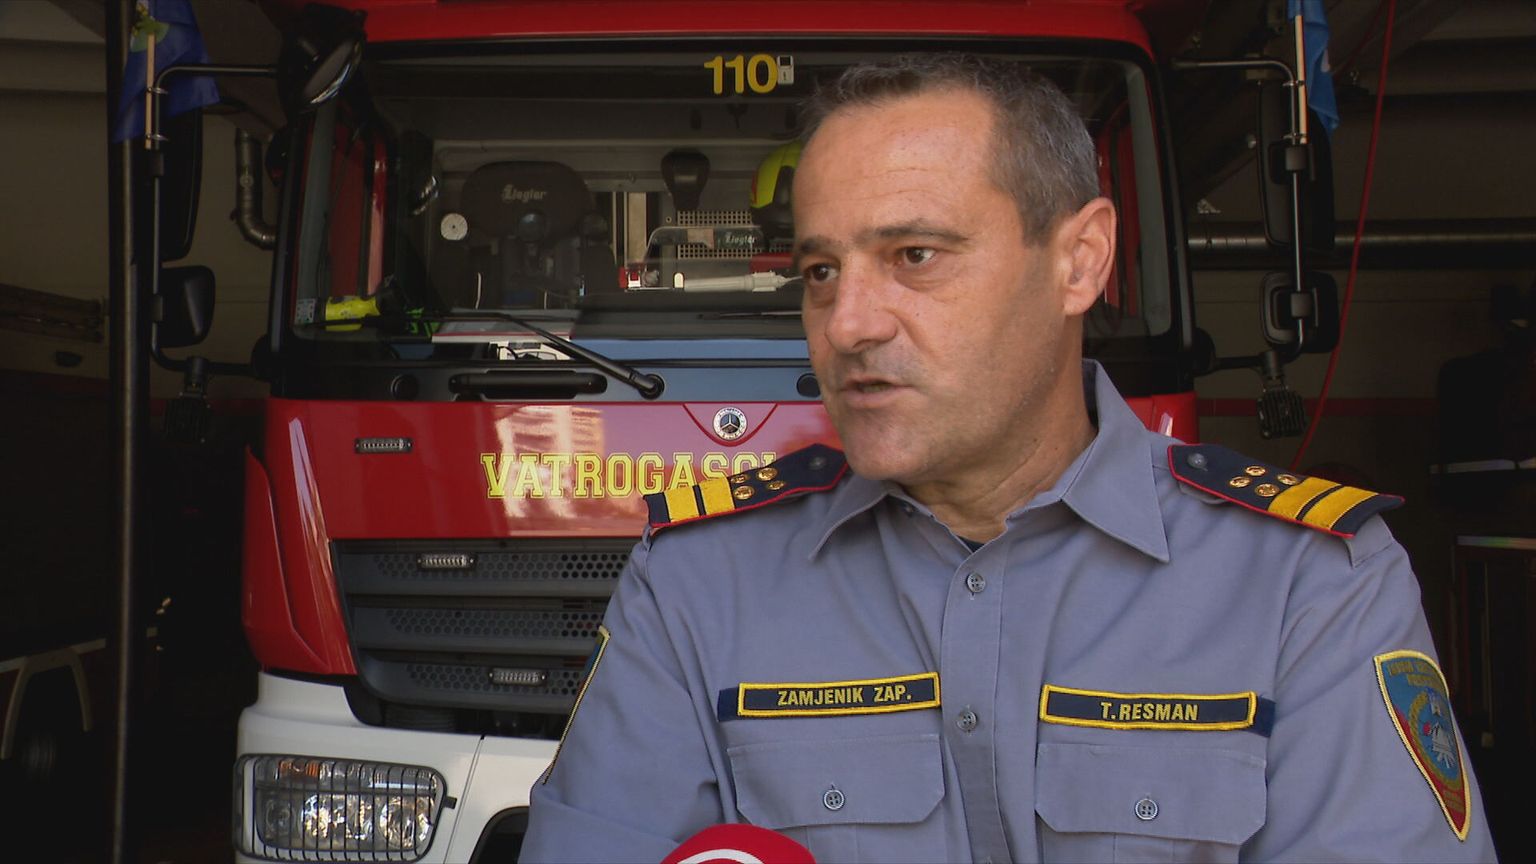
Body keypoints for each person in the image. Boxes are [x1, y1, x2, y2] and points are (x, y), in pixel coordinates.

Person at [521, 54, 1495, 863]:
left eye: (915, 256)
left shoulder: (1309, 586)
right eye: (820, 271)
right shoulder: (698, 583)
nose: (847, 325)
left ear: (1080, 261)